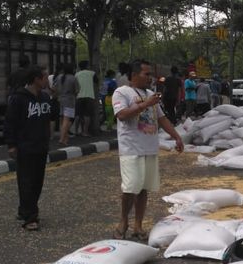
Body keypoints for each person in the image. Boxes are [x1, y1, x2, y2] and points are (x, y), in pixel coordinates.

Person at [112, 59, 184, 240]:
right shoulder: (121, 92)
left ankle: (138, 225)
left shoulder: (151, 94)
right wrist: (145, 104)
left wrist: (176, 136)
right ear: (134, 75)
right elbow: (121, 115)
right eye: (146, 74)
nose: (150, 77)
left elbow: (162, 119)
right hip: (131, 148)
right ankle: (123, 221)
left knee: (143, 188)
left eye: (150, 74)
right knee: (130, 187)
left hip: (149, 148)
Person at [4, 65, 52, 231]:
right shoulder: (18, 99)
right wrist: (11, 145)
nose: (47, 80)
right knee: (26, 182)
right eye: (45, 77)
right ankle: (30, 217)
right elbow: (10, 122)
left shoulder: (45, 97)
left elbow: (48, 120)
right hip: (24, 147)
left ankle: (24, 211)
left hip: (41, 146)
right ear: (36, 79)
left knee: (37, 182)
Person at [56, 63, 79, 145]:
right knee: (67, 120)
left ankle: (65, 139)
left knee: (61, 120)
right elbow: (77, 90)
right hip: (69, 100)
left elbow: (56, 88)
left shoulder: (59, 77)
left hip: (60, 99)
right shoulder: (73, 78)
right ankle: (62, 139)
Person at [75, 60, 97, 136]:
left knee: (78, 115)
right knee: (87, 115)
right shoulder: (92, 73)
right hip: (89, 96)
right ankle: (85, 131)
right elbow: (96, 81)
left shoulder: (76, 74)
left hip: (79, 96)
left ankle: (76, 131)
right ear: (87, 66)